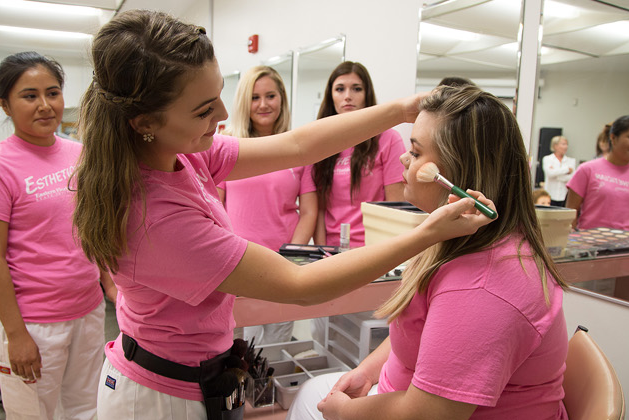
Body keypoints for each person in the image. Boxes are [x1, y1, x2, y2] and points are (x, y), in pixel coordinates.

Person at [72, 10, 494, 419]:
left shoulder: (182, 152)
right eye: (203, 110)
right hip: (161, 398)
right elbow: (300, 284)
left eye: (218, 94)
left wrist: (401, 110)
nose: (221, 116)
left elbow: (297, 147)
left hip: (200, 371)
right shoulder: (154, 218)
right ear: (145, 122)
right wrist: (427, 234)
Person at [289, 85, 569, 420]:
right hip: (403, 395)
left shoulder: (481, 289)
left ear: (451, 175)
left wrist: (347, 413)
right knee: (309, 392)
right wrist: (367, 371)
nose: (404, 159)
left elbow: (427, 414)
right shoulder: (458, 242)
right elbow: (421, 333)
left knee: (311, 401)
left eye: (417, 152)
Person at [0, 51, 114, 420]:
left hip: (88, 312)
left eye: (53, 92)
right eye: (29, 96)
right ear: (4, 104)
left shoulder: (81, 155)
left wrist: (111, 287)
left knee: (87, 411)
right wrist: (16, 336)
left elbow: (94, 230)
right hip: (33, 324)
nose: (45, 105)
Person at [217, 65, 315, 345]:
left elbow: (308, 211)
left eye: (270, 96)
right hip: (235, 264)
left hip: (280, 266)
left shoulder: (299, 148)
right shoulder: (227, 146)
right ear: (244, 102)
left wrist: (291, 257)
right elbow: (215, 206)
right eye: (254, 97)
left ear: (281, 99)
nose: (263, 104)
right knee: (233, 347)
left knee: (275, 349)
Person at [306, 61, 407, 249]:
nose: (347, 97)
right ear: (331, 96)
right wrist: (321, 252)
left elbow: (396, 208)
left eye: (356, 89)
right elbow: (319, 211)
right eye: (340, 89)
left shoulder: (388, 139)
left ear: (367, 95)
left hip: (373, 249)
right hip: (331, 252)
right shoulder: (320, 142)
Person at [566, 116, 629, 234]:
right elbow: (570, 215)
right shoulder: (587, 170)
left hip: (628, 247)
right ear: (613, 137)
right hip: (589, 245)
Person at [542, 136, 577, 207]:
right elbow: (550, 174)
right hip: (549, 196)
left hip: (564, 197)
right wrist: (567, 170)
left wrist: (555, 173)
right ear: (555, 146)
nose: (566, 147)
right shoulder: (547, 159)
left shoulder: (571, 161)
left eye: (567, 144)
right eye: (563, 144)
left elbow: (571, 179)